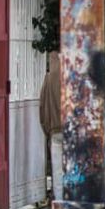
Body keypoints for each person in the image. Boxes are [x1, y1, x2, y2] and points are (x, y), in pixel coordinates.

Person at [38, 51, 63, 201]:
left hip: (54, 131)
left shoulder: (48, 79)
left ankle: (59, 203)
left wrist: (47, 129)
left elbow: (42, 107)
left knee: (57, 171)